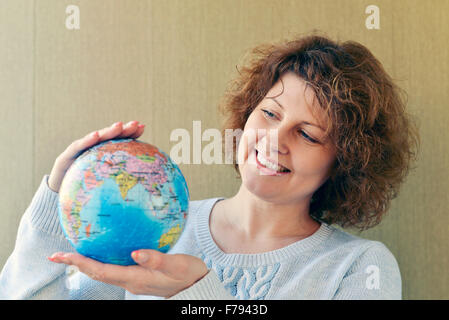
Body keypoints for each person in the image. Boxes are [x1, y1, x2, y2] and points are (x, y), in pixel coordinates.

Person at [0, 33, 419, 300]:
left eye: (308, 134)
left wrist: (197, 296)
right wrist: (55, 200)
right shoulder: (149, 226)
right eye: (270, 115)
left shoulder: (359, 267)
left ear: (346, 161)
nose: (274, 140)